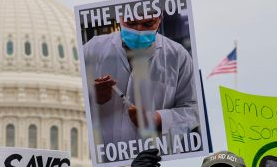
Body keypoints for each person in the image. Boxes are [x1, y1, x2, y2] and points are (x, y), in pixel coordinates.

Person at [84, 13, 199, 146]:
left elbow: (193, 110)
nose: (138, 30)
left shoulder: (178, 56)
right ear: (119, 18)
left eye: (148, 24)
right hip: (103, 157)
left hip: (152, 156)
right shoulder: (92, 48)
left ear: (159, 19)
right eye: (131, 23)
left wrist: (158, 118)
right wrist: (90, 94)